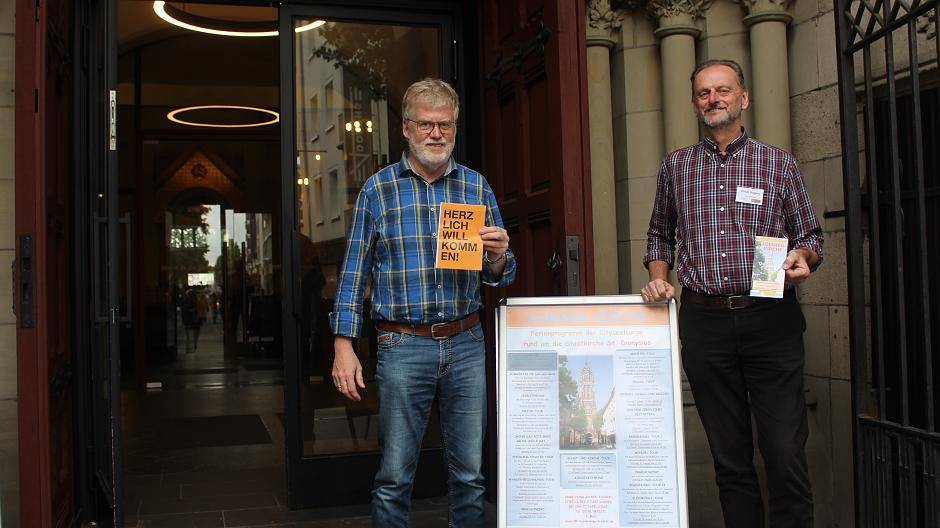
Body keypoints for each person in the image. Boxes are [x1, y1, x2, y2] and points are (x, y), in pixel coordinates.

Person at [641, 59, 823, 528]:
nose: (713, 99)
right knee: (730, 459)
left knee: (784, 454)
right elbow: (660, 235)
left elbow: (811, 235)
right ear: (695, 102)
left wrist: (804, 257)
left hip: (770, 319)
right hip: (705, 324)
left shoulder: (777, 162)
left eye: (723, 90)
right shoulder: (676, 166)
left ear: (743, 97)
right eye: (704, 93)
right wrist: (660, 276)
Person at [330, 78, 516, 527]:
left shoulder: (476, 187)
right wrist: (343, 345)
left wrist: (498, 254)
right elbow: (354, 272)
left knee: (470, 475)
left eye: (445, 126)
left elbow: (500, 275)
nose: (437, 134)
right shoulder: (379, 190)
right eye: (427, 125)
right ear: (406, 129)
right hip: (402, 345)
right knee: (395, 476)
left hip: (466, 340)